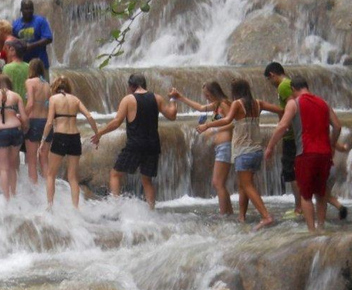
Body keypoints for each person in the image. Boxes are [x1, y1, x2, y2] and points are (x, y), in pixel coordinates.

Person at [200, 78, 281, 231]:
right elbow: (280, 110)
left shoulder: (237, 104)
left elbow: (227, 120)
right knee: (243, 185)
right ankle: (241, 217)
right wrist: (281, 123)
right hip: (257, 150)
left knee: (247, 185)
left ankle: (266, 216)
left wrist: (208, 125)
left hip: (243, 151)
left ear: (236, 91)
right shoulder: (258, 103)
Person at [265, 76, 342, 232]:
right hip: (325, 154)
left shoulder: (294, 103)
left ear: (293, 89)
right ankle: (321, 228)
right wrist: (332, 144)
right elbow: (338, 127)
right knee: (321, 194)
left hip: (305, 153)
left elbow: (282, 126)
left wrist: (270, 146)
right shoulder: (324, 103)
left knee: (305, 195)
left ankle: (312, 231)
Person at [93, 73, 176, 209]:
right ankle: (151, 211)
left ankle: (115, 208)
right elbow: (172, 116)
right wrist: (173, 98)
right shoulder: (157, 98)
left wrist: (100, 133)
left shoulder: (128, 100)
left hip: (135, 145)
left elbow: (116, 122)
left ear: (131, 86)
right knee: (147, 180)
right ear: (144, 85)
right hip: (153, 146)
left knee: (115, 174)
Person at [169, 83, 234, 215]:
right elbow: (200, 108)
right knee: (219, 183)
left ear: (215, 93)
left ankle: (224, 214)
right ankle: (229, 213)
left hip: (225, 146)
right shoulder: (216, 105)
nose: (206, 97)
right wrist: (180, 97)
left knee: (217, 183)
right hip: (221, 147)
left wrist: (213, 129)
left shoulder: (224, 104)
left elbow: (233, 123)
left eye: (208, 95)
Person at [40, 76, 98, 208]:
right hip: (74, 137)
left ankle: (50, 207)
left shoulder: (53, 99)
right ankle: (75, 209)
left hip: (60, 136)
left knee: (51, 174)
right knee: (73, 177)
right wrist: (97, 134)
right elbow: (89, 116)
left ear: (55, 87)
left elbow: (49, 123)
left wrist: (43, 140)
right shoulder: (75, 99)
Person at [263, 62, 301, 214]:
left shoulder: (283, 86)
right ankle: (300, 206)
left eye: (268, 80)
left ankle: (299, 208)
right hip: (295, 134)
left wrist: (285, 128)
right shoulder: (289, 83)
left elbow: (292, 107)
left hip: (291, 136)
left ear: (272, 75)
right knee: (293, 171)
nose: (270, 83)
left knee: (292, 172)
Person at [0, 74, 28, 200]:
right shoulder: (16, 96)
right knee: (12, 166)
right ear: (9, 84)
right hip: (16, 131)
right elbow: (24, 118)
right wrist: (25, 130)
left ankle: (7, 199)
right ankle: (14, 194)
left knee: (4, 168)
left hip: (1, 132)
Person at [24, 58, 51, 184]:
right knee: (44, 159)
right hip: (46, 123)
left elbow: (30, 104)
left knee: (31, 160)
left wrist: (22, 117)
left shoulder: (30, 82)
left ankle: (33, 193)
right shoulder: (47, 84)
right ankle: (48, 190)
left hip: (34, 121)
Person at [12, 0, 53, 78]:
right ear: (21, 10)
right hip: (23, 65)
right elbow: (12, 41)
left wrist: (31, 45)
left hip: (41, 64)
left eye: (31, 9)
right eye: (26, 9)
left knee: (43, 88)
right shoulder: (15, 24)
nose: (29, 11)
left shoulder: (40, 21)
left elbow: (48, 38)